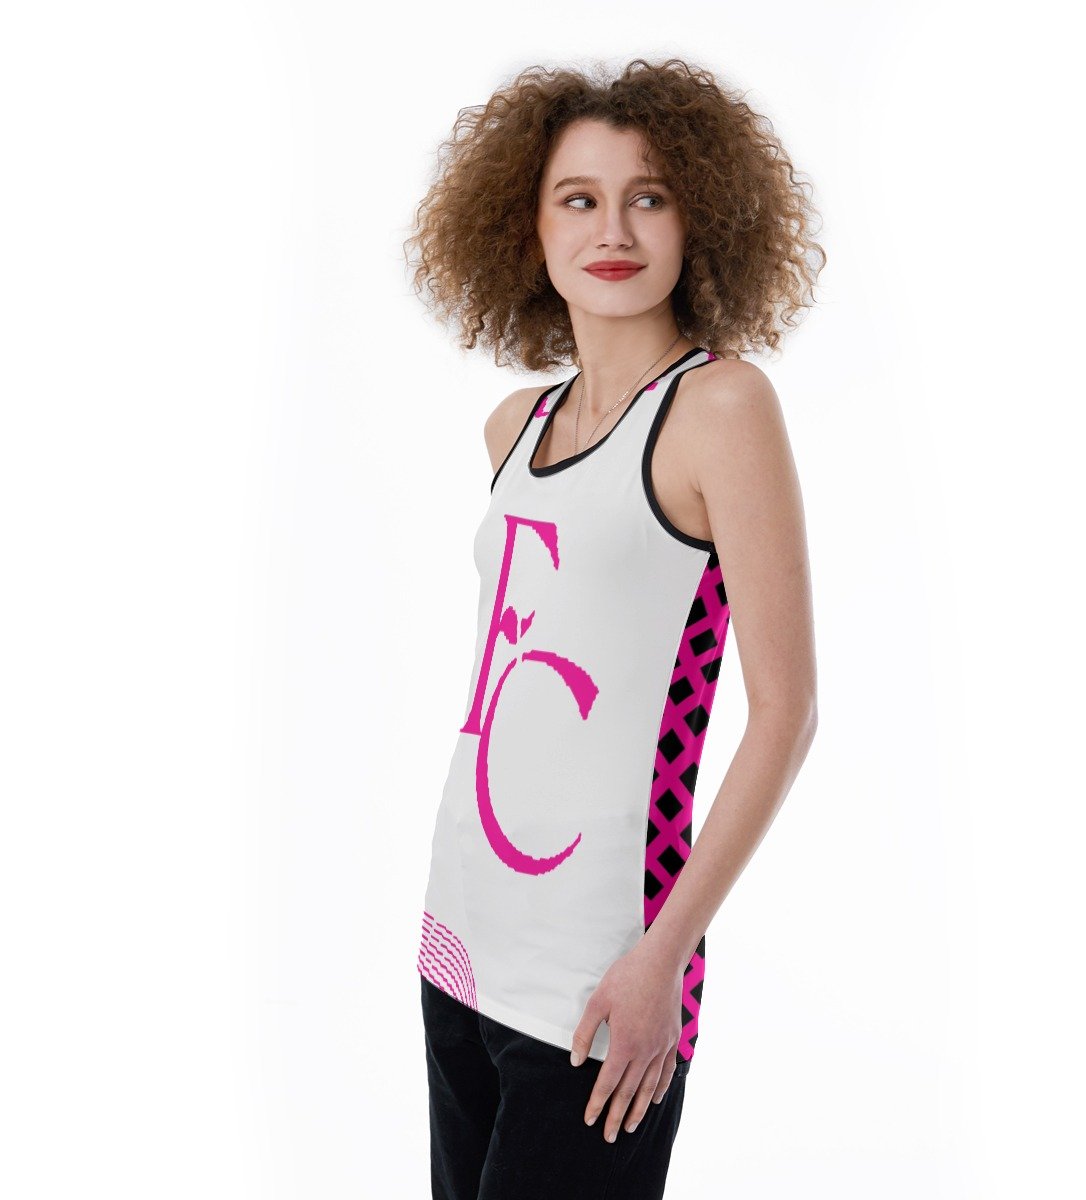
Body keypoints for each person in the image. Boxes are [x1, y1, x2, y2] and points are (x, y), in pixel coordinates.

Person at [403, 56, 822, 1200]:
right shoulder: (513, 426)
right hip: (460, 935)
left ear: (701, 218)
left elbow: (786, 714)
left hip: (603, 974)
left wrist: (663, 959)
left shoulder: (719, 409)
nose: (615, 230)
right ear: (528, 227)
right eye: (578, 198)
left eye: (650, 197)